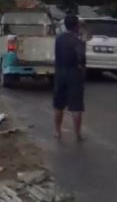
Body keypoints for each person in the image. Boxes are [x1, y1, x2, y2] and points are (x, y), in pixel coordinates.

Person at [53, 14, 86, 142]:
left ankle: (57, 131)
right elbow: (81, 60)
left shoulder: (59, 39)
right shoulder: (78, 42)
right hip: (74, 75)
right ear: (76, 26)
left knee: (58, 105)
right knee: (76, 107)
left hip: (60, 74)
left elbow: (57, 56)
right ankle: (78, 134)